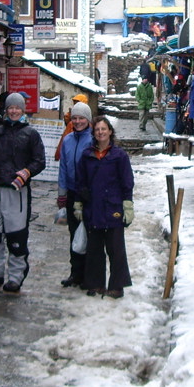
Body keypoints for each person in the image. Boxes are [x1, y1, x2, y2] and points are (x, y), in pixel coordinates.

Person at [0, 92, 45, 293]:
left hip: (17, 191)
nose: (14, 111)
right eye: (10, 108)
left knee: (16, 235)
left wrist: (26, 172)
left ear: (23, 110)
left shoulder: (31, 134)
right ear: (6, 110)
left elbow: (39, 161)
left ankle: (16, 277)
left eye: (17, 108)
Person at [73, 116, 134, 298]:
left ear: (110, 132)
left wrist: (128, 205)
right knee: (95, 248)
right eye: (97, 130)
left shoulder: (119, 156)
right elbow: (80, 180)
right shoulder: (87, 155)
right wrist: (78, 202)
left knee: (115, 248)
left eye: (103, 129)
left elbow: (127, 182)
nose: (100, 132)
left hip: (113, 206)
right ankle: (95, 283)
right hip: (94, 206)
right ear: (94, 133)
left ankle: (117, 285)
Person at [56, 101, 93, 288]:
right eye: (75, 118)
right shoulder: (68, 140)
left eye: (81, 118)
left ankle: (88, 275)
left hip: (88, 196)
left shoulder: (93, 140)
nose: (78, 121)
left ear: (88, 120)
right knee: (74, 233)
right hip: (71, 193)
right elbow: (63, 167)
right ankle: (75, 273)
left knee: (88, 233)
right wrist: (61, 194)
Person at [55, 93, 89, 160]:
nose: (77, 121)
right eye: (75, 103)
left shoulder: (90, 125)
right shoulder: (70, 122)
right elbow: (65, 138)